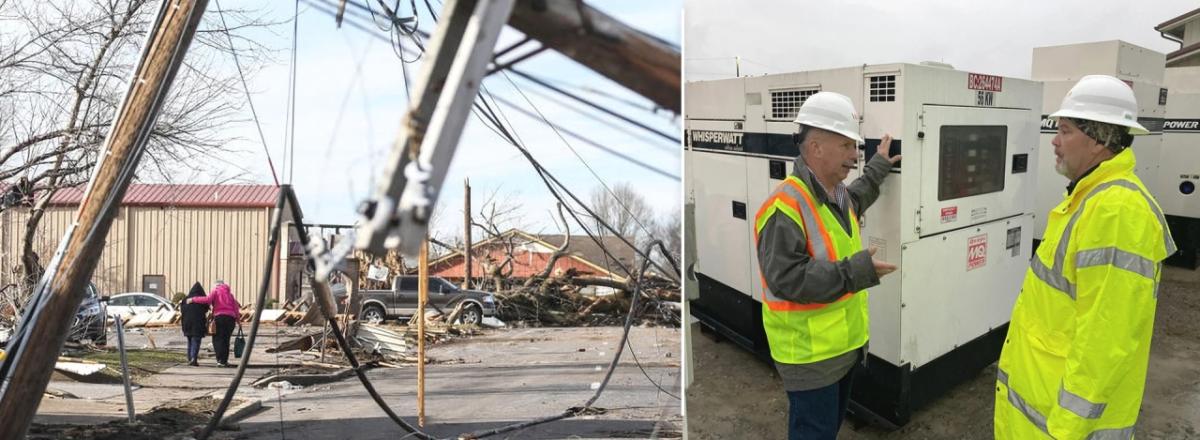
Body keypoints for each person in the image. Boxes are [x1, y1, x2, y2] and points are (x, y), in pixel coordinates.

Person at [994, 75, 1177, 439]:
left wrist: (1065, 430)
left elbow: (1106, 343)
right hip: (1039, 406)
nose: (1054, 142)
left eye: (1064, 131)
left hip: (1061, 426)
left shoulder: (1117, 213)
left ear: (1099, 139)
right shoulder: (1089, 198)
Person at [754, 91, 901, 440]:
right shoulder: (784, 207)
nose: (855, 155)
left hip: (840, 352)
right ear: (816, 147)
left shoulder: (835, 195)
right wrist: (857, 271)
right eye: (847, 146)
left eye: (856, 147)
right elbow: (786, 279)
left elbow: (860, 192)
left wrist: (880, 165)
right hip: (810, 358)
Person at [188, 280, 241, 367]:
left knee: (217, 340)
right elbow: (235, 307)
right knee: (226, 340)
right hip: (231, 319)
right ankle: (224, 361)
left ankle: (220, 361)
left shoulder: (215, 291)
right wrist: (238, 320)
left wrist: (193, 299)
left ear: (216, 286)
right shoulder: (230, 295)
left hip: (219, 318)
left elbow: (207, 300)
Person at [179, 282, 209, 366]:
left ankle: (190, 358)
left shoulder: (185, 299)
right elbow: (206, 309)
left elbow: (182, 310)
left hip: (186, 322)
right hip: (198, 323)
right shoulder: (202, 300)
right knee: (196, 340)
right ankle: (193, 358)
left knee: (189, 340)